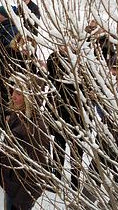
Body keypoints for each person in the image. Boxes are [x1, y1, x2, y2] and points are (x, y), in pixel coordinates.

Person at [0, 81, 50, 210]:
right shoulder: (17, 115)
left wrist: (22, 202)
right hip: (12, 186)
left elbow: (39, 170)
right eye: (13, 92)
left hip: (21, 195)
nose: (13, 97)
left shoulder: (35, 128)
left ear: (29, 99)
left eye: (19, 94)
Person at [46, 46, 84, 190]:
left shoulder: (81, 60)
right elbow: (50, 80)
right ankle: (56, 176)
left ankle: (75, 179)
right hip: (59, 109)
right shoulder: (54, 58)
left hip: (78, 112)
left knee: (77, 148)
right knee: (58, 144)